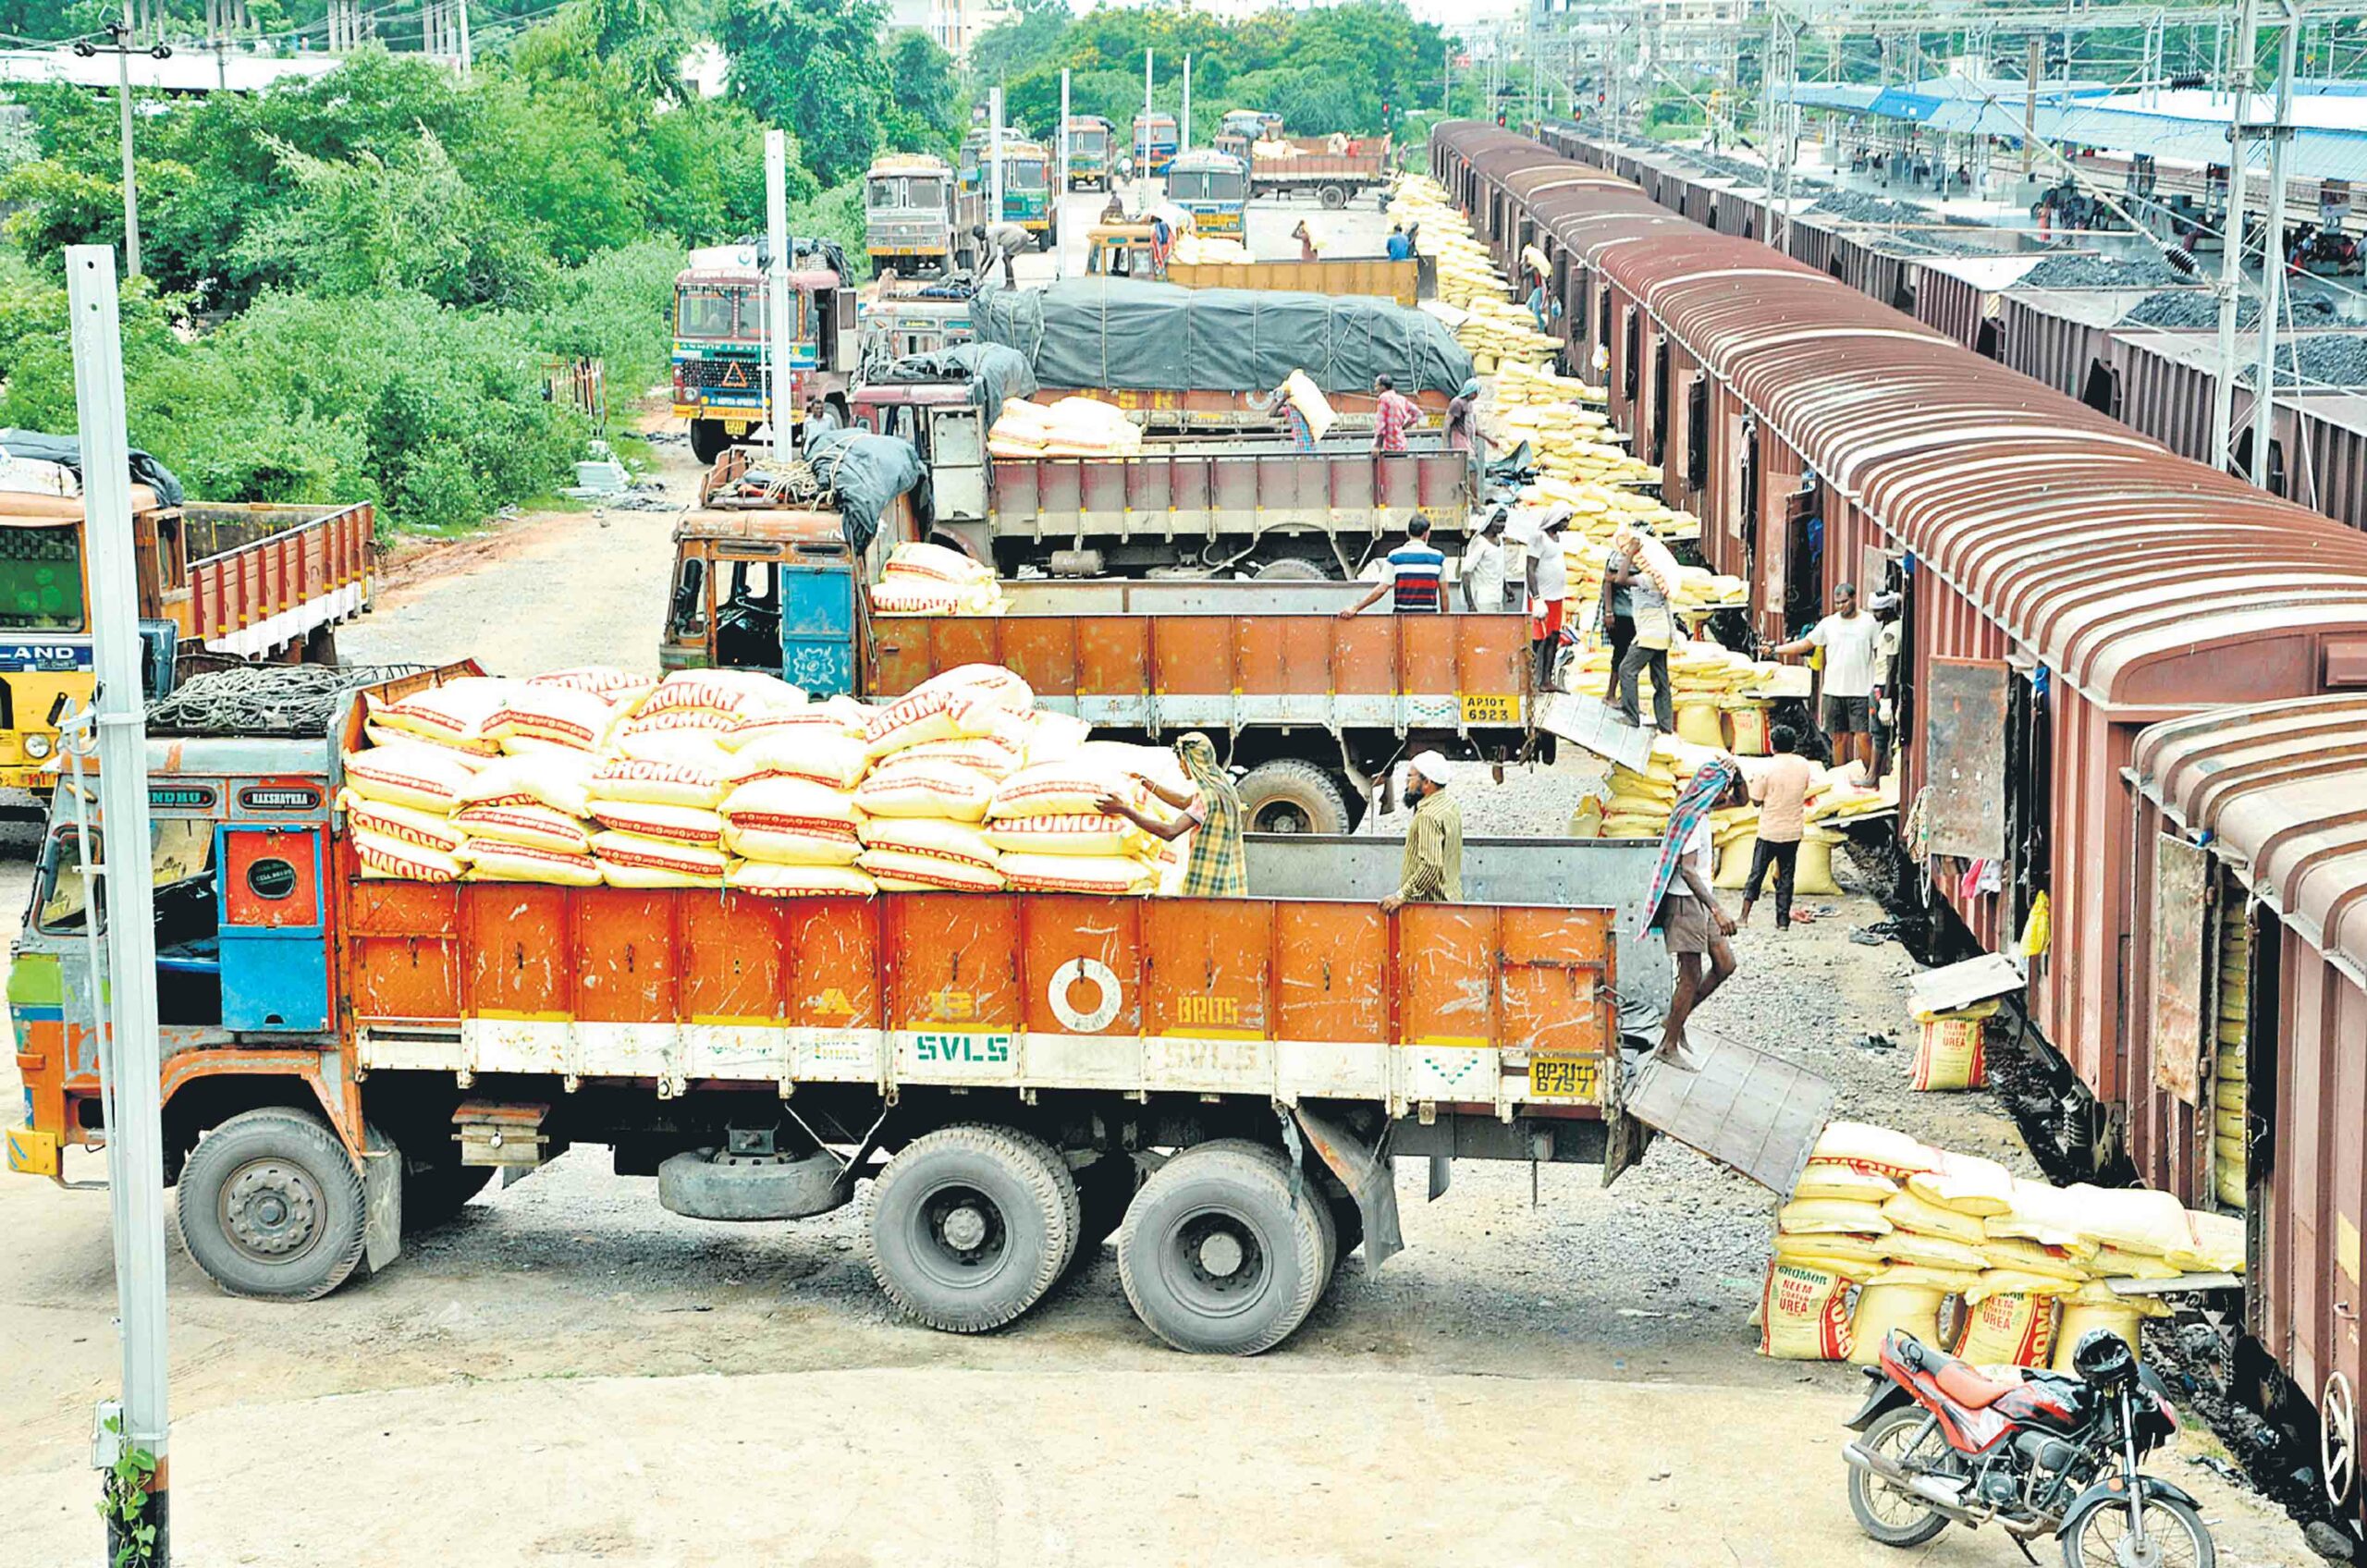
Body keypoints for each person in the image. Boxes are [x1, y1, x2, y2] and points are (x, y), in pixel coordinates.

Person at [1646, 755, 1742, 1068]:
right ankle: (1668, 1044)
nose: (1727, 797)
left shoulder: (1703, 808)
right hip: (1686, 903)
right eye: (1723, 791)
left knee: (1725, 965)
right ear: (1711, 791)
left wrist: (1737, 773)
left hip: (1699, 902)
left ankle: (1677, 1019)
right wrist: (1717, 909)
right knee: (1690, 976)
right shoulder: (1691, 818)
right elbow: (1687, 871)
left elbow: (1743, 800)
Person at [1096, 731, 1245, 896]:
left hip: (1210, 882)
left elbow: (1170, 832)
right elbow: (1183, 802)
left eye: (1182, 761)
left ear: (1192, 762)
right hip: (1225, 875)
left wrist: (1124, 810)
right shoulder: (1221, 787)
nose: (1180, 766)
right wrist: (1146, 782)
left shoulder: (1208, 797)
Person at [1765, 582, 1882, 776]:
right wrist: (1776, 649)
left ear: (1854, 599)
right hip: (1834, 691)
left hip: (1862, 691)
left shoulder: (1869, 623)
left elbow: (1879, 653)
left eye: (1844, 602)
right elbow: (1805, 644)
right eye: (1837, 603)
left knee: (1863, 737)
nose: (1841, 606)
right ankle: (1840, 776)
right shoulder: (1829, 624)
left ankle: (1871, 776)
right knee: (1838, 738)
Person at [1738, 726, 1813, 930]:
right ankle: (1782, 922)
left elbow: (1755, 800)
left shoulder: (1766, 768)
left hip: (1769, 831)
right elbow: (1804, 788)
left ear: (1772, 745)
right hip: (1793, 831)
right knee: (1787, 877)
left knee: (1756, 874)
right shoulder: (1803, 765)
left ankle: (1744, 917)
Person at [1611, 522, 1680, 735]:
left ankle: (1631, 716)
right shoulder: (1658, 577)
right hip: (1661, 632)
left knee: (1626, 670)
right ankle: (1665, 725)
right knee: (1660, 679)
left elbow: (1621, 579)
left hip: (1651, 632)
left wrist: (1631, 552)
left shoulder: (1649, 579)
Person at [1383, 750, 1462, 913]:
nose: (1406, 783)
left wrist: (1402, 895)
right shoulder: (1449, 804)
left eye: (1410, 777)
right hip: (1452, 901)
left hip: (1431, 909)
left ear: (1426, 782)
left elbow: (1431, 865)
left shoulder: (1428, 816)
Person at [1340, 516, 1446, 617]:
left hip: (1401, 620)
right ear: (1427, 534)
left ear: (1408, 533)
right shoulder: (1438, 558)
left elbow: (1381, 589)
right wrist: (1447, 619)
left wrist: (1356, 608)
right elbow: (1444, 593)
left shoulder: (1395, 556)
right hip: (1429, 620)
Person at [1526, 506, 1573, 691]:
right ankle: (1529, 680)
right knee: (1537, 640)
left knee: (1553, 637)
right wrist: (1536, 597)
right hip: (1542, 599)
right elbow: (1530, 568)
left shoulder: (1558, 539)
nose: (1566, 525)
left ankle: (1546, 680)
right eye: (1564, 521)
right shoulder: (1538, 538)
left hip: (1557, 598)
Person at [1869, 590, 1902, 780]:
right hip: (1884, 686)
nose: (1875, 615)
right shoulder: (1896, 627)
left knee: (1878, 733)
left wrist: (1886, 700)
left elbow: (1891, 666)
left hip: (1883, 686)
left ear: (1888, 610)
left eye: (1877, 611)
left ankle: (1873, 776)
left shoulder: (1890, 632)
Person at [1460, 508, 1508, 612]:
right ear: (1490, 521)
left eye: (1504, 521)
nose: (1502, 524)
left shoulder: (1499, 540)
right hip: (1483, 601)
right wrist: (1470, 604)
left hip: (1498, 598)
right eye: (1499, 521)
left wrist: (1506, 588)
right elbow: (1465, 573)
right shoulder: (1480, 543)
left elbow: (1497, 567)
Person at [974, 221, 1034, 288]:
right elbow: (987, 253)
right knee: (1006, 258)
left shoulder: (990, 234)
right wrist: (981, 266)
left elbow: (993, 256)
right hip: (1021, 234)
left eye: (978, 237)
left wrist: (985, 271)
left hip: (1020, 237)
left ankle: (1011, 284)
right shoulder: (988, 231)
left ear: (980, 234)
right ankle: (1010, 284)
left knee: (1006, 258)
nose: (979, 240)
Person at [1370, 374, 1419, 454]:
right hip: (1402, 445)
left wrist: (1377, 446)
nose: (1376, 389)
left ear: (1383, 387)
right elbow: (1418, 414)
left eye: (1377, 386)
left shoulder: (1383, 398)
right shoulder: (1401, 399)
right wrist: (1405, 426)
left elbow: (1381, 423)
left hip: (1390, 447)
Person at [1443, 378, 1479, 453]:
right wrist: (1445, 445)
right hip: (1458, 437)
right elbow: (1447, 424)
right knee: (1467, 460)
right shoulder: (1457, 403)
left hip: (1466, 438)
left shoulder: (1469, 404)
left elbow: (1471, 425)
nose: (1476, 396)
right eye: (1474, 393)